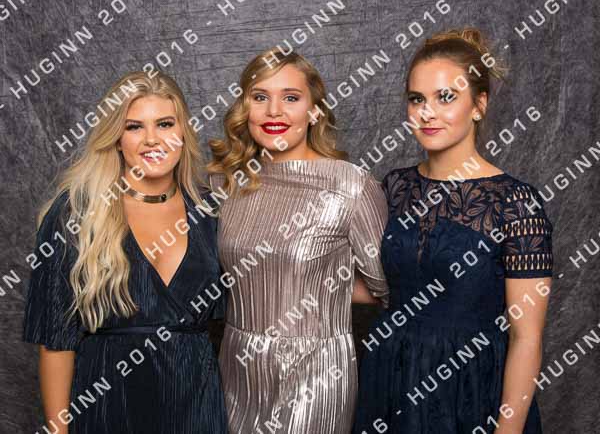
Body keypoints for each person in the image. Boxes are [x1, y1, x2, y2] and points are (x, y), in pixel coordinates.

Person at [353, 28, 553, 434]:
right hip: (390, 382)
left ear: (479, 105)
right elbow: (377, 287)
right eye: (417, 99)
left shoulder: (517, 203)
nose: (427, 113)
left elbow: (527, 338)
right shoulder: (394, 187)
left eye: (445, 97)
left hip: (470, 390)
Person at [22, 70, 227, 433]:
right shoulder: (77, 214)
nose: (152, 139)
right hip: (107, 405)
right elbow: (56, 343)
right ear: (116, 138)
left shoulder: (211, 211)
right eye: (134, 127)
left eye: (165, 124)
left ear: (182, 132)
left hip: (197, 406)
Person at [207, 47, 389, 433]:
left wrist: (319, 288)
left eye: (291, 98)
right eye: (260, 97)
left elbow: (386, 288)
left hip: (315, 370)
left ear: (315, 111)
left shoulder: (350, 185)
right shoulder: (226, 183)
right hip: (237, 367)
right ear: (244, 109)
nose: (274, 111)